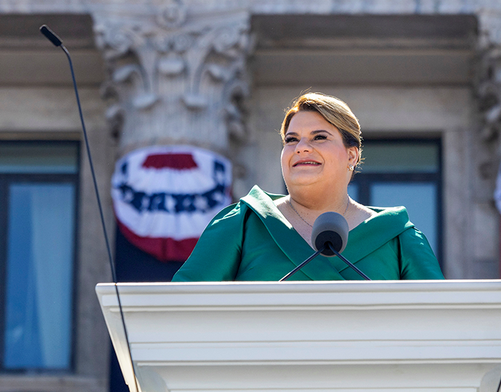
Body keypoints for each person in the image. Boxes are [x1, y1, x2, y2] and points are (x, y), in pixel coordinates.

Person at [172, 92, 443, 281]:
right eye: (291, 140)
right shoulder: (243, 224)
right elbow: (177, 314)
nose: (301, 148)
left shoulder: (398, 237)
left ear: (351, 155)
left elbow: (443, 325)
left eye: (319, 137)